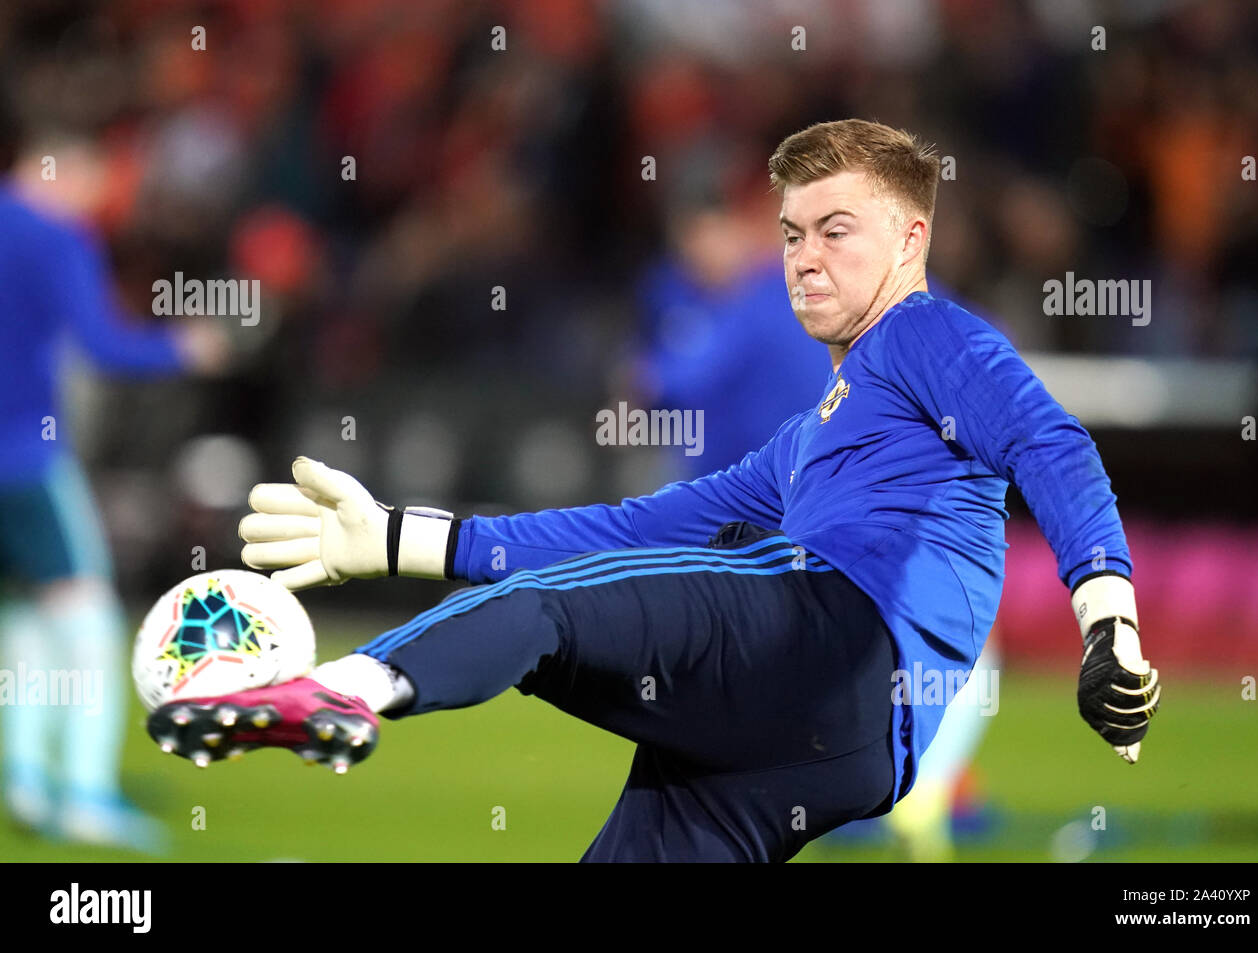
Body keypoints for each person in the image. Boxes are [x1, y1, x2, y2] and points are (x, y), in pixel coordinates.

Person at [149, 119, 1161, 862]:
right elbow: (630, 524)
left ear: (909, 242)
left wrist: (1108, 621)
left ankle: (339, 691)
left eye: (835, 230)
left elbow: (1052, 444)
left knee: (543, 612)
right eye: (792, 232)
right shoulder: (805, 441)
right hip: (835, 751)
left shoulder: (930, 335)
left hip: (834, 637)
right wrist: (398, 538)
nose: (803, 257)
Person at [0, 97, 228, 850]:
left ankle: (28, 781)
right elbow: (101, 344)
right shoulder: (58, 237)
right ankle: (86, 797)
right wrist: (185, 349)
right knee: (91, 625)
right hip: (26, 461)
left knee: (27, 621)